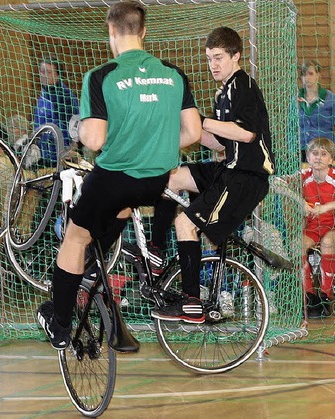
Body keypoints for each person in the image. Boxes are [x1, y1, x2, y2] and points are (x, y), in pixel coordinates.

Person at [36, 1, 201, 350]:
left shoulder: (101, 76)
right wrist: (153, 144)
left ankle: (60, 323)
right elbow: (193, 133)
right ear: (143, 31)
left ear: (111, 31)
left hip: (115, 177)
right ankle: (95, 265)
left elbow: (94, 140)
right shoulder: (174, 74)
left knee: (74, 237)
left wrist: (89, 131)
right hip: (156, 181)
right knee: (124, 205)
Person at [150, 26, 275, 324]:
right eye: (209, 59)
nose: (213, 65)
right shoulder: (223, 94)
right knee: (174, 177)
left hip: (246, 177)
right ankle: (156, 251)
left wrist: (203, 120)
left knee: (184, 223)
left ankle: (192, 301)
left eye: (219, 57)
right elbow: (220, 143)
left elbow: (245, 134)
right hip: (229, 167)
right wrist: (186, 127)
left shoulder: (242, 85)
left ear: (236, 56)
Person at [298, 138, 335, 317]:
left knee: (328, 241)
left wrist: (326, 207)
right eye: (314, 153)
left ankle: (326, 295)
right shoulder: (304, 176)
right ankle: (309, 295)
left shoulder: (334, 177)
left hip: (333, 226)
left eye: (323, 154)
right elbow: (278, 183)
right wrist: (302, 202)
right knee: (297, 245)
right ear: (308, 156)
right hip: (313, 226)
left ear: (331, 159)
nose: (318, 158)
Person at [33, 55, 79, 162]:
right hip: (43, 154)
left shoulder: (65, 97)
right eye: (42, 71)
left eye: (48, 72)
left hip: (59, 157)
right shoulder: (44, 92)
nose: (44, 75)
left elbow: (76, 126)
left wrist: (71, 150)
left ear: (58, 75)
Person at [298, 60, 335, 161]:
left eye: (310, 74)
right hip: (301, 150)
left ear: (318, 75)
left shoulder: (330, 98)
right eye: (304, 74)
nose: (307, 78)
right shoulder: (296, 99)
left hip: (324, 150)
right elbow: (290, 127)